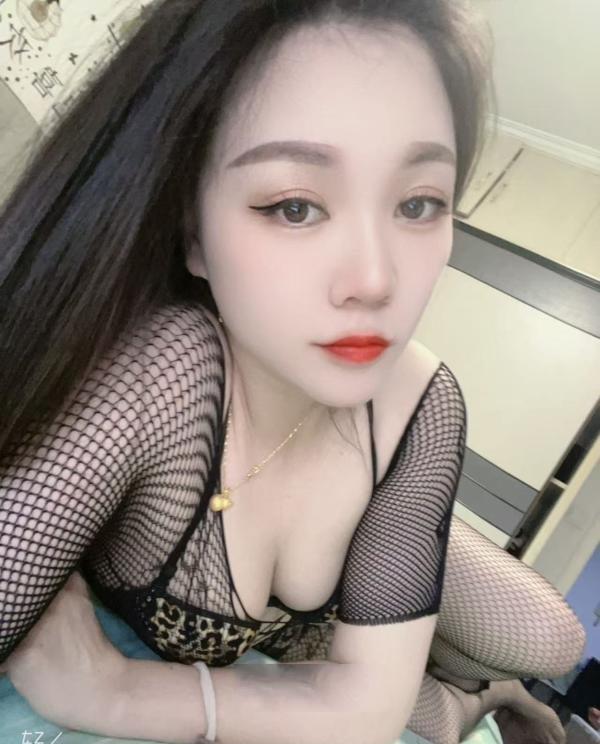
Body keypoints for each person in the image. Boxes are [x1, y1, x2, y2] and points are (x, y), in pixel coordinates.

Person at [0, 1, 585, 743]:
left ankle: (456, 654)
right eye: (295, 207)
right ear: (194, 235)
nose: (375, 281)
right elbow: (366, 710)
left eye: (418, 203)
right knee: (436, 718)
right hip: (307, 642)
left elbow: (367, 708)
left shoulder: (422, 398)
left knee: (553, 641)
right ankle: (478, 696)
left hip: (344, 572)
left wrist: (115, 693)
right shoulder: (168, 371)